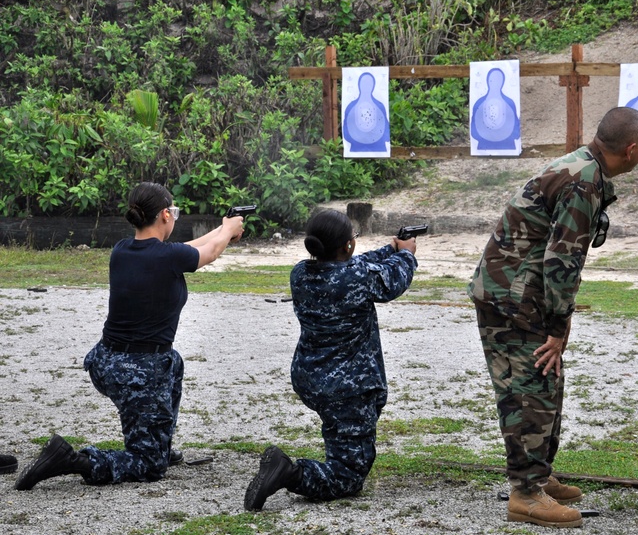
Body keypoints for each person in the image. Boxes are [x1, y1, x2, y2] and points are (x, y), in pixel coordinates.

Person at [468, 106, 638, 528]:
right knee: (531, 386)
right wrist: (557, 327)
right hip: (516, 297)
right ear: (632, 149)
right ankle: (526, 493)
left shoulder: (581, 167)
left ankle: (538, 476)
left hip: (511, 290)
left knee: (542, 381)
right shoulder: (583, 182)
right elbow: (561, 262)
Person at [15, 183, 244, 490]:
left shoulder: (122, 250)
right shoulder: (167, 257)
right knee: (148, 467)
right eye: (173, 211)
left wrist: (222, 228)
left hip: (107, 362)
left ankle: (157, 443)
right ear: (165, 215)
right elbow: (210, 253)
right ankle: (71, 459)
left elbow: (190, 249)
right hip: (138, 372)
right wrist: (228, 232)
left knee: (173, 363)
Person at [244, 209, 417, 511]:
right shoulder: (356, 279)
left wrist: (390, 248)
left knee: (341, 434)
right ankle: (289, 472)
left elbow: (354, 265)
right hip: (349, 387)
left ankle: (323, 458)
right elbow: (392, 280)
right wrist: (407, 255)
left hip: (314, 379)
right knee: (348, 476)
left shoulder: (300, 273)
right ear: (348, 245)